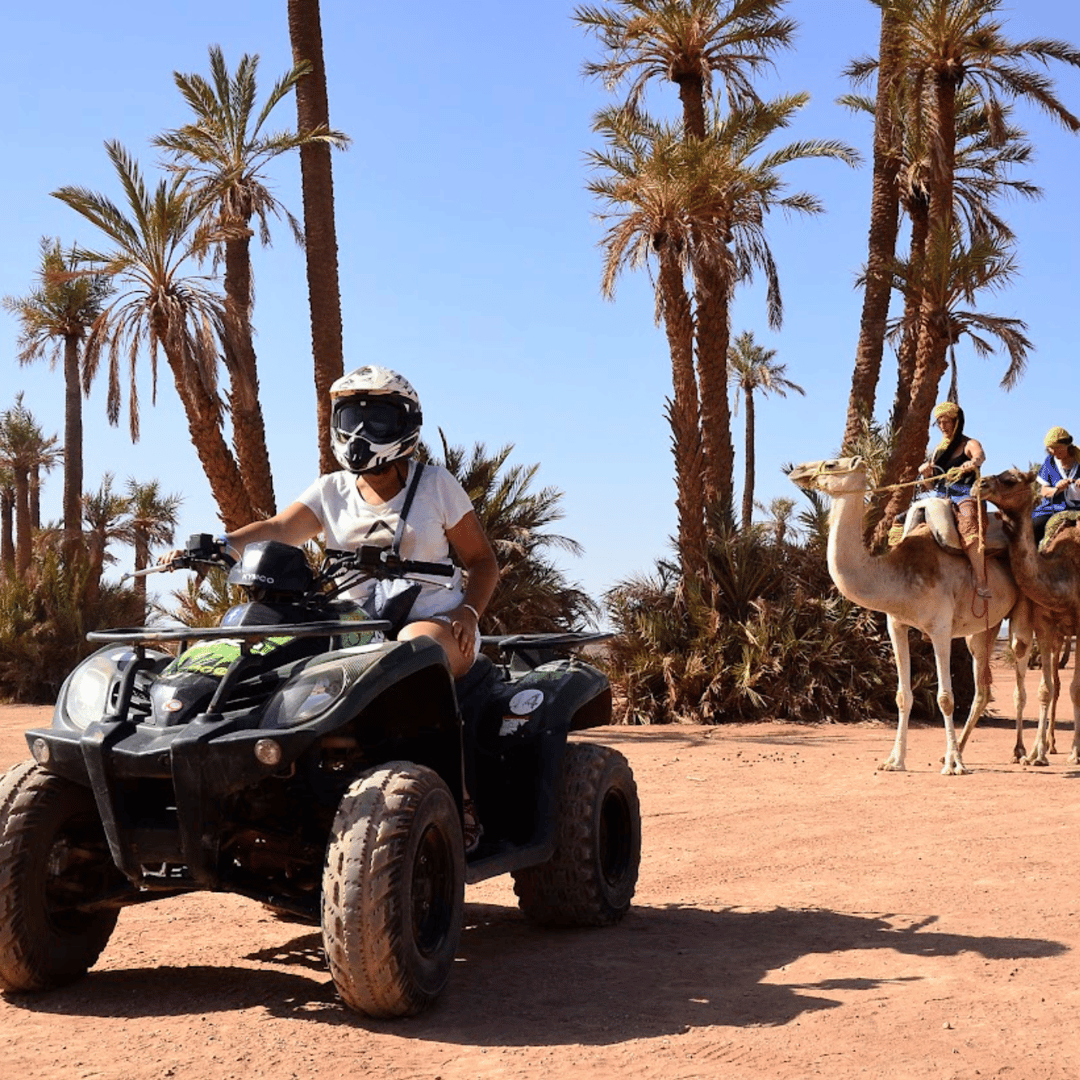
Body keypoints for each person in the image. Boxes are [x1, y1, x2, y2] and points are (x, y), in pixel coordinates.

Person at [165, 365, 499, 849]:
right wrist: (220, 543)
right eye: (352, 419)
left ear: (406, 424)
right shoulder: (332, 490)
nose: (362, 434)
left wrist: (469, 612)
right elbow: (280, 529)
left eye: (378, 421)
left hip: (434, 624)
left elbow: (482, 560)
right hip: (355, 628)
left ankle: (459, 801)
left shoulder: (435, 485)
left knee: (408, 652)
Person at [916, 401, 991, 599]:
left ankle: (981, 580)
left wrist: (972, 463)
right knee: (903, 520)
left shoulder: (969, 444)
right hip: (941, 496)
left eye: (947, 421)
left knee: (969, 525)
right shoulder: (937, 452)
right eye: (939, 422)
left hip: (965, 495)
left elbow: (980, 456)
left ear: (957, 422)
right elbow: (931, 486)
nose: (943, 426)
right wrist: (926, 474)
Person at [1032, 425, 1080, 544]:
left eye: (1057, 448)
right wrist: (1057, 489)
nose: (1054, 452)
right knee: (1033, 527)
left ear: (1067, 446)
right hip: (1053, 509)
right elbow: (1044, 491)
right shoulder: (1050, 462)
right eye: (1050, 449)